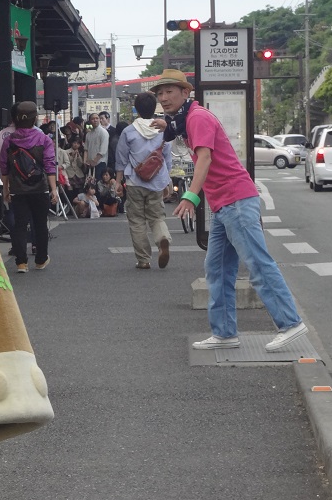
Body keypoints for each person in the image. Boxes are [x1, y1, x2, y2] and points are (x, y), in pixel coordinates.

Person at [152, 69, 308, 352]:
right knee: (217, 270)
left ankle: (291, 323)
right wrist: (166, 126)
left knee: (258, 263)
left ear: (185, 93)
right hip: (225, 204)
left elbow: (205, 159)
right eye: (160, 93)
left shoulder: (197, 118)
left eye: (169, 92)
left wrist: (189, 197)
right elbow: (179, 130)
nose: (163, 98)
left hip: (235, 201)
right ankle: (225, 333)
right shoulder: (189, 118)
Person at [115, 92, 173, 270]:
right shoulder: (163, 130)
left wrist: (118, 182)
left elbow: (121, 159)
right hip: (156, 182)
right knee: (157, 217)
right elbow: (167, 158)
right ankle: (163, 238)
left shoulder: (129, 131)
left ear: (137, 109)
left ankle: (143, 260)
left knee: (137, 220)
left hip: (135, 181)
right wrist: (167, 179)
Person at [0, 100, 59, 273]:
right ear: (34, 119)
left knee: (19, 225)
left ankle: (21, 262)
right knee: (40, 224)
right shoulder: (44, 139)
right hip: (39, 188)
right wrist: (53, 189)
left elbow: (4, 167)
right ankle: (40, 259)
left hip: (18, 190)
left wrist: (6, 189)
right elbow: (49, 165)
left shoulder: (9, 141)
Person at [0, 105, 17, 170]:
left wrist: (4, 171)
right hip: (33, 175)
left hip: (8, 174)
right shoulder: (38, 133)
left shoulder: (0, 134)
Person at [84, 112, 109, 182]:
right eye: (93, 119)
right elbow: (86, 149)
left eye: (97, 118)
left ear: (99, 120)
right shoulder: (88, 134)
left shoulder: (103, 132)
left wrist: (94, 161)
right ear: (90, 121)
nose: (95, 120)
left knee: (98, 185)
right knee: (89, 187)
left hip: (100, 163)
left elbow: (103, 151)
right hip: (89, 164)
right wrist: (85, 162)